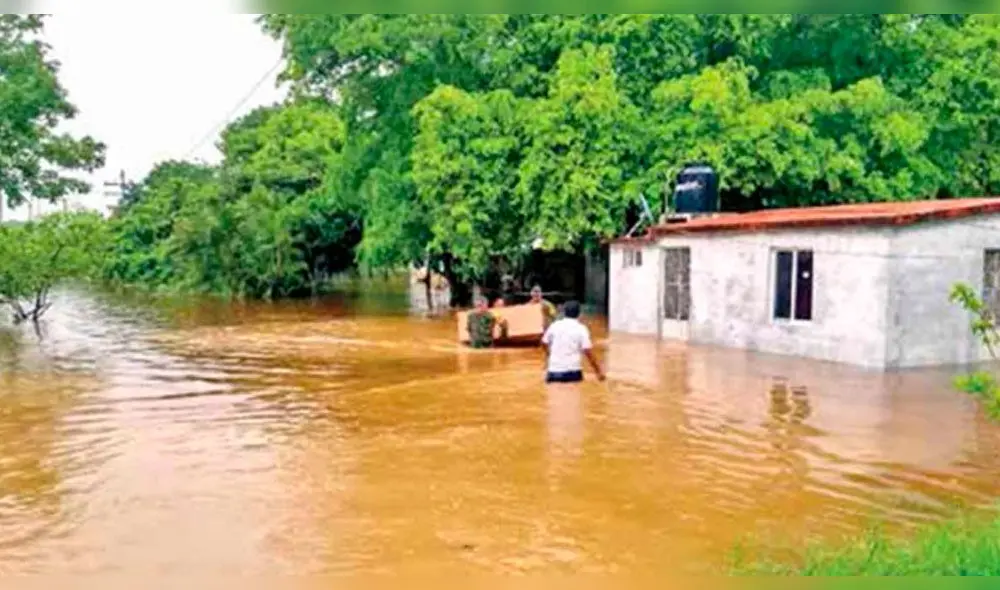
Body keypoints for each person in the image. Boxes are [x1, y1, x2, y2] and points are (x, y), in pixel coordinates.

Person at [541, 300, 605, 383]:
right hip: (573, 372)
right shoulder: (581, 329)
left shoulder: (555, 325)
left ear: (564, 313)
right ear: (579, 314)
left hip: (554, 372)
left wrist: (549, 354)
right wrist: (598, 372)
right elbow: (588, 352)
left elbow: (544, 342)